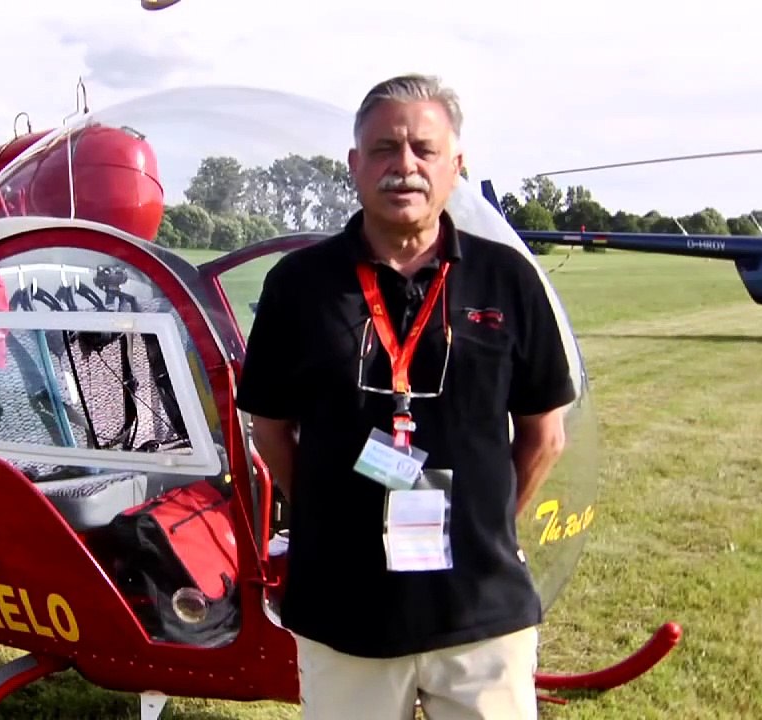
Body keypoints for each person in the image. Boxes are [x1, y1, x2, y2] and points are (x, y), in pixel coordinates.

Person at [235, 73, 578, 719]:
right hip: (344, 607)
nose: (405, 167)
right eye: (385, 149)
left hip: (480, 606)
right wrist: (331, 519)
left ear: (457, 165)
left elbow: (544, 435)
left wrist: (486, 524)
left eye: (424, 149)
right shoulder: (299, 285)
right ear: (354, 165)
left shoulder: (510, 279)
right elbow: (270, 428)